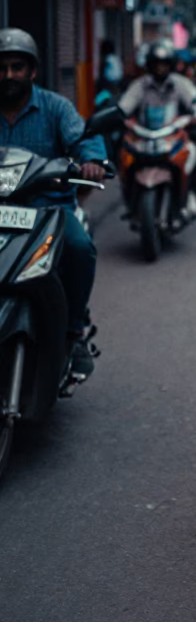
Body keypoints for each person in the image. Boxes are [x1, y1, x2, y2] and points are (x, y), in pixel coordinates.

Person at [0, 29, 107, 379]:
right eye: (2, 68)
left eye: (17, 67)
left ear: (32, 71)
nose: (9, 75)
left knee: (80, 249)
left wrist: (91, 161)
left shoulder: (56, 107)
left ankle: (74, 333)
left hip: (49, 208)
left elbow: (84, 139)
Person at [119, 41, 196, 219]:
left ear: (171, 65)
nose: (160, 68)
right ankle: (129, 200)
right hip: (143, 137)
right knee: (124, 155)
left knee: (192, 152)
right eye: (156, 64)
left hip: (172, 137)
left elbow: (195, 104)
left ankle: (189, 196)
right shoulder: (140, 85)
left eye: (164, 64)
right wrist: (120, 117)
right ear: (150, 65)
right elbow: (124, 107)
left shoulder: (180, 84)